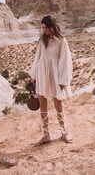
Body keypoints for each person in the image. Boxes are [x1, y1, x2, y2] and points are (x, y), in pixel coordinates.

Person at [29, 15, 73, 145]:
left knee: (58, 105)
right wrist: (34, 76)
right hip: (42, 74)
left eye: (46, 27)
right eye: (43, 28)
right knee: (43, 104)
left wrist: (63, 81)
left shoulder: (62, 41)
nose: (44, 30)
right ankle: (46, 134)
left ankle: (64, 132)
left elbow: (65, 61)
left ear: (52, 26)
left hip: (55, 76)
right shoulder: (42, 40)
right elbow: (38, 58)